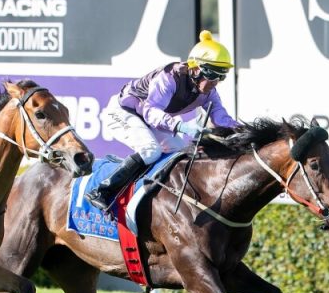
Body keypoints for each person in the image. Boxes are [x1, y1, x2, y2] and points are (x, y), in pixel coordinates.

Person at [85, 30, 238, 211]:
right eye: (212, 75)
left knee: (179, 154)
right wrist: (180, 126)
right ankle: (101, 191)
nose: (216, 82)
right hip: (123, 112)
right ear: (196, 69)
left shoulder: (209, 93)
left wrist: (245, 132)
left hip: (151, 119)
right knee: (151, 151)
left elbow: (222, 119)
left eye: (222, 76)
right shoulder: (169, 77)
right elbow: (151, 112)